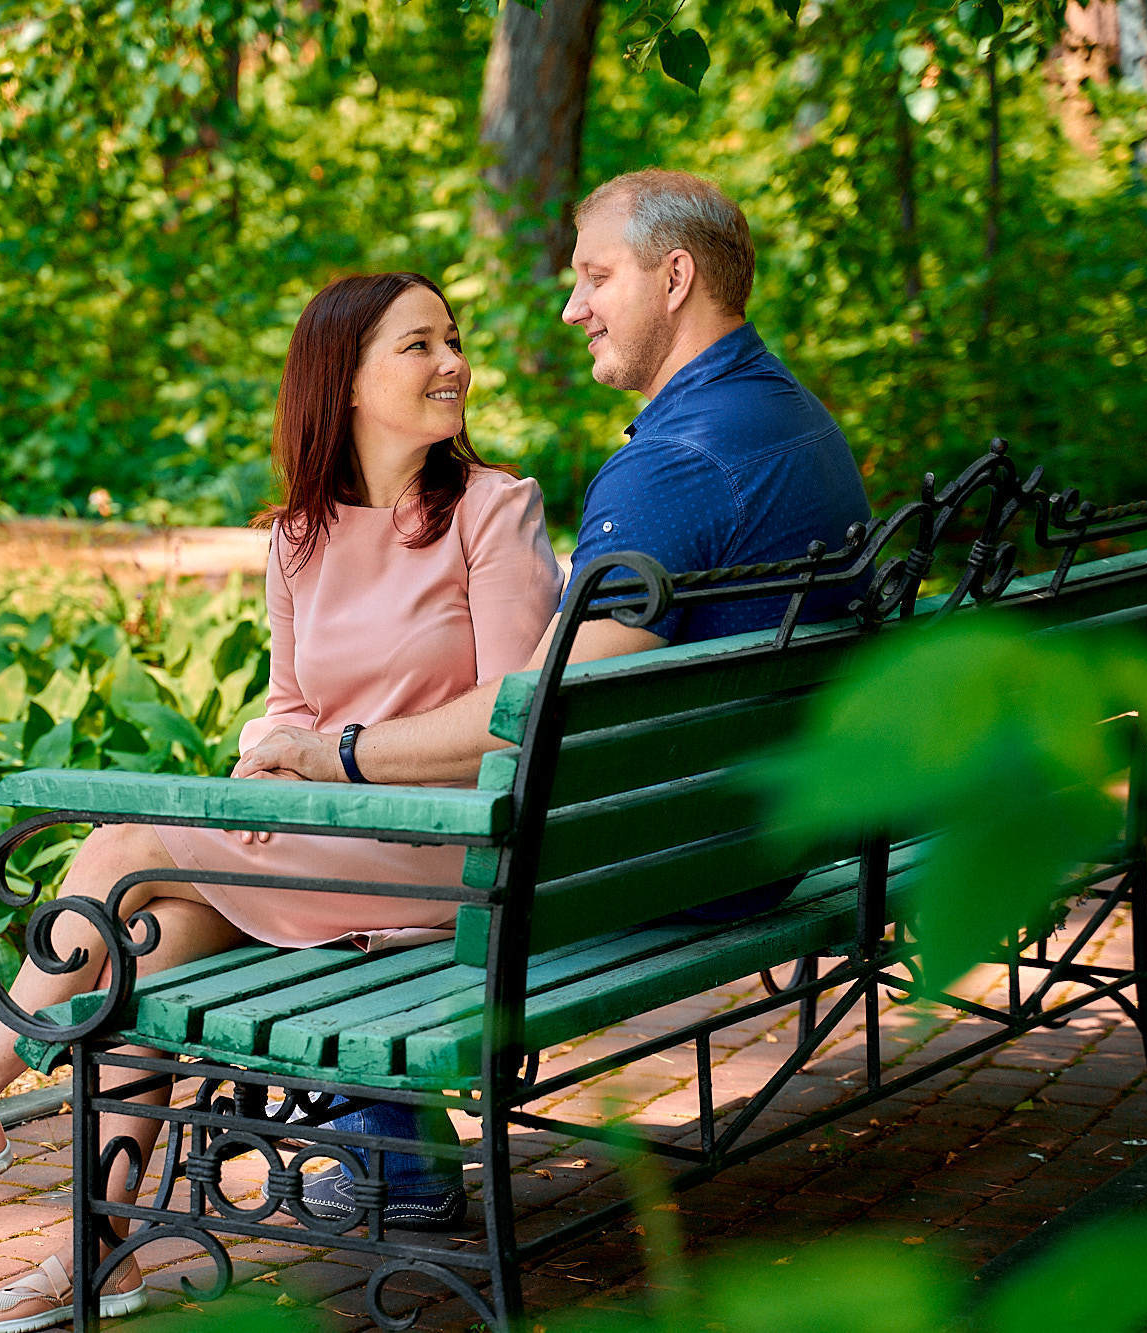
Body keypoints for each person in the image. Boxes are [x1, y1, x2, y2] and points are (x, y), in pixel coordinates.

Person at [0, 270, 563, 1333]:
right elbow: (283, 706)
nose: (452, 365)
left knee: (127, 843)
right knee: (144, 930)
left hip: (452, 854)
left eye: (451, 340)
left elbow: (503, 719)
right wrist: (264, 773)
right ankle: (97, 1254)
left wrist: (324, 761)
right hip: (327, 848)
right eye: (419, 345)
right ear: (341, 382)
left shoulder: (493, 508)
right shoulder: (296, 536)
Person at [235, 169, 873, 1207]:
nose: (572, 306)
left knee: (142, 868)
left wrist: (335, 754)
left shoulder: (671, 465)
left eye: (593, 277)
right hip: (765, 827)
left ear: (673, 278)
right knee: (164, 887)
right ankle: (379, 1153)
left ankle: (33, 1168)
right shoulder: (785, 419)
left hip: (666, 862)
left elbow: (530, 709)